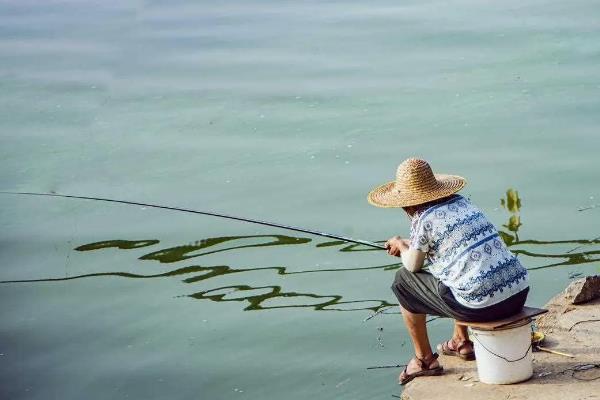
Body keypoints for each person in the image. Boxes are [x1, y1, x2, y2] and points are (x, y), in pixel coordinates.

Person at [367, 158, 529, 385]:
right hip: (517, 294)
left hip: (484, 307)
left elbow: (413, 266)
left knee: (403, 282)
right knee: (460, 269)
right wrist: (408, 245)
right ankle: (460, 341)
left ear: (408, 204)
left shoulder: (423, 218)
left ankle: (424, 360)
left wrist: (402, 246)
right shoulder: (462, 203)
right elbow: (449, 249)